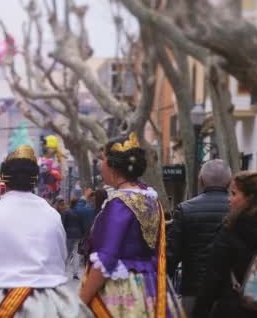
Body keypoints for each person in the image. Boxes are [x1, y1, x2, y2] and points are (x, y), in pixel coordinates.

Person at [0, 145, 92, 317]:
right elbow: (59, 259)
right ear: (35, 179)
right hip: (47, 304)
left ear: (4, 179)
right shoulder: (51, 214)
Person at [78, 132, 184, 317]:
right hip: (150, 288)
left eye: (102, 159)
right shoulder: (150, 199)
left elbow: (106, 259)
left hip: (122, 293)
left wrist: (79, 303)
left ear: (112, 167)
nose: (100, 165)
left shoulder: (119, 204)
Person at [193, 171, 257, 318]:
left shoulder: (231, 230)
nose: (229, 199)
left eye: (234, 194)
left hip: (233, 310)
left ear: (249, 198)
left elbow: (212, 279)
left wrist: (199, 313)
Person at [166, 159, 232, 315]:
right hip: (229, 293)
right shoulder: (239, 210)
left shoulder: (185, 209)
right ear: (230, 182)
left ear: (201, 181)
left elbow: (171, 254)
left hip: (193, 290)